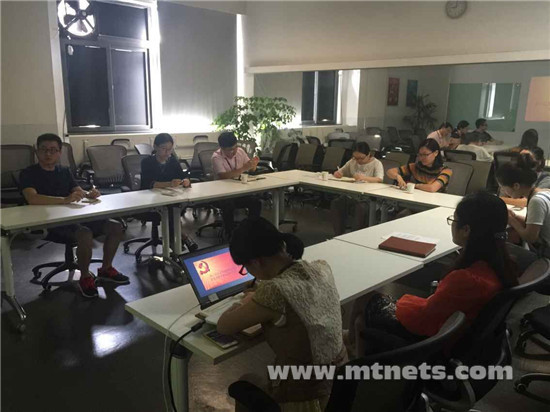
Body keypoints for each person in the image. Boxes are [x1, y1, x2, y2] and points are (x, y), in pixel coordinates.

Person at [348, 192, 518, 356]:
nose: (452, 225)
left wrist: (405, 302)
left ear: (466, 230)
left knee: (363, 299)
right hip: (456, 337)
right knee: (361, 320)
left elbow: (424, 319)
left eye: (454, 220)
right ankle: (352, 348)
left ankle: (347, 347)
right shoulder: (502, 266)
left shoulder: (465, 279)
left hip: (434, 341)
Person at [217, 217, 347, 411]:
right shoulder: (321, 267)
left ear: (256, 262)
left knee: (246, 381)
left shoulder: (274, 290)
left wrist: (246, 301)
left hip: (305, 399)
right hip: (340, 386)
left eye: (246, 268)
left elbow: (224, 326)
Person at [20, 134, 129, 298]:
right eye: (44, 150)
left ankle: (106, 269)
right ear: (37, 152)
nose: (48, 154)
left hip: (73, 216)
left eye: (53, 150)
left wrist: (88, 194)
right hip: (49, 222)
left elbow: (76, 190)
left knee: (115, 227)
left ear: (59, 153)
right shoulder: (28, 173)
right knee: (84, 233)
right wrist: (64, 200)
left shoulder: (64, 171)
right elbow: (32, 198)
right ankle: (85, 277)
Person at [140, 133, 198, 252]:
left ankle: (177, 241)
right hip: (150, 200)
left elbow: (182, 176)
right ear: (155, 147)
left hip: (170, 197)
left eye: (170, 149)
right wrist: (170, 184)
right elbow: (149, 184)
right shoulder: (147, 162)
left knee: (173, 208)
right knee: (171, 211)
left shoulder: (172, 161)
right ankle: (180, 239)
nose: (167, 153)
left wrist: (186, 181)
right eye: (164, 149)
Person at [497, 153, 550, 269]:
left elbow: (530, 237)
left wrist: (511, 220)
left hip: (546, 257)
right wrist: (515, 217)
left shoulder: (536, 201)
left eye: (503, 187)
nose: (503, 191)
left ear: (516, 186)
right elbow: (537, 225)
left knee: (500, 248)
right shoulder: (544, 192)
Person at [211, 131, 262, 234]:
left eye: (235, 148)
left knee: (256, 202)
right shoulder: (216, 157)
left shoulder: (240, 151)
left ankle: (251, 230)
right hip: (222, 194)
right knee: (228, 205)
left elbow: (250, 168)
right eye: (229, 150)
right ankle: (230, 234)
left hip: (239, 191)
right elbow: (224, 176)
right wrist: (244, 168)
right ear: (222, 148)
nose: (233, 152)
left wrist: (253, 165)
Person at [330, 142, 384, 235]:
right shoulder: (352, 161)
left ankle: (354, 235)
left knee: (360, 208)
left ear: (368, 154)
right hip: (353, 195)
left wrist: (364, 178)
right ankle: (338, 234)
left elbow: (379, 179)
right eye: (356, 158)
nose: (358, 161)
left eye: (361, 158)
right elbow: (341, 171)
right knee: (336, 203)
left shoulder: (376, 163)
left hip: (368, 198)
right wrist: (338, 174)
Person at [386, 139, 453, 193]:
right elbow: (389, 172)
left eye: (425, 155)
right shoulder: (415, 167)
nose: (422, 158)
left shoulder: (446, 171)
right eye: (420, 155)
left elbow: (432, 188)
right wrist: (398, 176)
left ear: (436, 153)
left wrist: (413, 185)